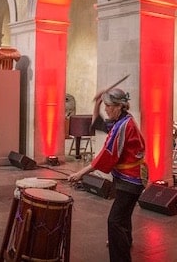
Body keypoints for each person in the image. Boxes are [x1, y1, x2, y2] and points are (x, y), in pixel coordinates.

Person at [67, 87, 144, 261]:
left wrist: (81, 173)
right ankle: (124, 241)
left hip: (131, 181)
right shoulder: (122, 119)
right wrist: (97, 102)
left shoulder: (123, 126)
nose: (106, 109)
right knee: (123, 217)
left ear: (119, 106)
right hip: (130, 179)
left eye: (108, 106)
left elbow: (107, 154)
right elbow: (98, 124)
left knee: (114, 221)